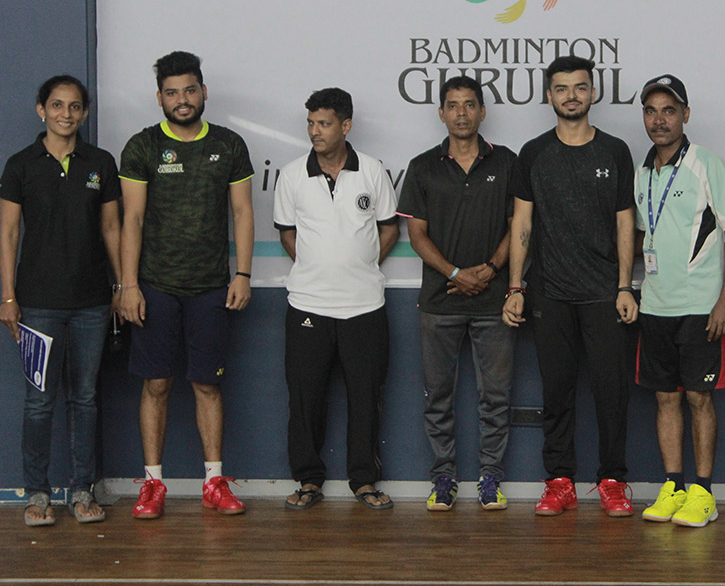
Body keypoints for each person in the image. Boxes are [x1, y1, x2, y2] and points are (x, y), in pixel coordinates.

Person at [119, 51, 255, 519]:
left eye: (190, 90)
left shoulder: (229, 144)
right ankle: (152, 485)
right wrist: (129, 285)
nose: (182, 99)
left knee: (207, 386)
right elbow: (132, 219)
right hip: (154, 287)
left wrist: (243, 274)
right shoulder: (142, 145)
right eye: (172, 92)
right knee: (156, 384)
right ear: (159, 97)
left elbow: (243, 213)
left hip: (211, 287)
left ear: (203, 92)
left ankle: (214, 483)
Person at [502, 56, 638, 517]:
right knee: (557, 395)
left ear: (593, 93)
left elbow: (625, 222)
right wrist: (515, 287)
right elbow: (522, 222)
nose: (571, 96)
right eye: (561, 89)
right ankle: (559, 482)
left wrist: (624, 285)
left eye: (580, 87)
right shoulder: (533, 152)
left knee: (611, 395)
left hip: (604, 294)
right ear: (549, 96)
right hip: (550, 293)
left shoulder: (615, 151)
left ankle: (613, 481)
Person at [1, 75, 121, 526]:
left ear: (84, 113)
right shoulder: (20, 165)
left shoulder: (100, 163)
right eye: (56, 105)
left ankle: (82, 490)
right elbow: (8, 233)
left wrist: (121, 287)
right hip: (36, 305)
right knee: (38, 403)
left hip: (92, 304)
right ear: (41, 110)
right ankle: (37, 493)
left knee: (85, 399)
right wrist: (8, 296)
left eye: (74, 107)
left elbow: (112, 228)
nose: (65, 114)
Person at [274, 88, 398, 512]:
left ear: (345, 126)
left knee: (366, 399)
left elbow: (389, 228)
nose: (315, 131)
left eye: (324, 124)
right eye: (310, 123)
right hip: (307, 305)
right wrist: (317, 268)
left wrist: (362, 264)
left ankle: (364, 481)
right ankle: (308, 480)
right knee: (305, 399)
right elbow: (287, 233)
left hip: (365, 306)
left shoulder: (372, 171)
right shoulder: (292, 174)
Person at [397, 76, 516, 512]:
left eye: (469, 105)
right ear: (441, 113)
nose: (461, 113)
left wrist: (490, 269)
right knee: (438, 397)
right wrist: (455, 273)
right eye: (453, 105)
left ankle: (490, 478)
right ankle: (443, 478)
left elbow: (518, 226)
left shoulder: (507, 162)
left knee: (495, 398)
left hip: (494, 301)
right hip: (440, 301)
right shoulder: (423, 166)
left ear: (482, 111)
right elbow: (416, 234)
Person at [634, 74, 725, 528]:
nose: (659, 120)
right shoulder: (642, 173)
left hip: (701, 306)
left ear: (685, 115)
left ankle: (703, 493)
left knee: (699, 397)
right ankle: (673, 487)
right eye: (651, 111)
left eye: (669, 111)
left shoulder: (706, 163)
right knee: (665, 398)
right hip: (655, 305)